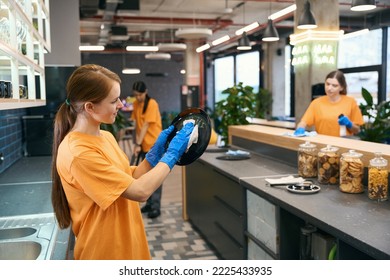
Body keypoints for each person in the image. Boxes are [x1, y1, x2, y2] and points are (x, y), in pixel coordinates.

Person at [51, 64, 194, 260]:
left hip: (130, 244)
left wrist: (154, 155)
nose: (120, 104)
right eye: (113, 101)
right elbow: (140, 191)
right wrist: (171, 155)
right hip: (105, 252)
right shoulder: (78, 153)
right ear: (90, 107)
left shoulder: (105, 137)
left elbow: (129, 178)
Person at [294, 70, 364, 137]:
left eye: (334, 85)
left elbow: (357, 130)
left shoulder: (350, 102)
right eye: (327, 84)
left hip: (343, 144)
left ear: (341, 87)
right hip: (322, 144)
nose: (329, 88)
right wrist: (300, 128)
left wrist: (349, 124)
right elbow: (303, 122)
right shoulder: (316, 103)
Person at [131, 81, 163, 219]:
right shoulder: (136, 104)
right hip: (144, 145)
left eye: (140, 95)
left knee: (155, 176)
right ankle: (149, 204)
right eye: (136, 95)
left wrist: (137, 143)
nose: (138, 97)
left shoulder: (152, 104)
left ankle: (156, 207)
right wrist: (136, 143)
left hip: (154, 145)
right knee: (145, 175)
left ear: (146, 92)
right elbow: (136, 125)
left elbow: (145, 126)